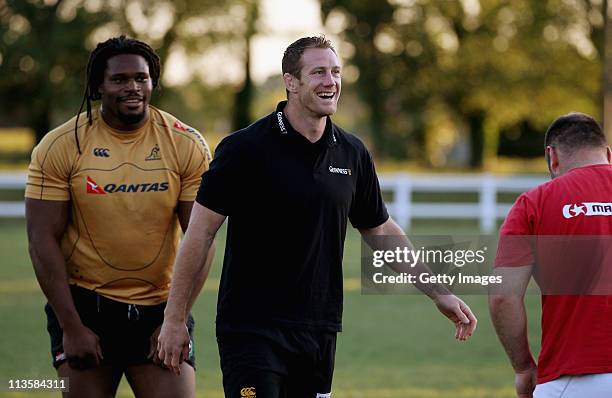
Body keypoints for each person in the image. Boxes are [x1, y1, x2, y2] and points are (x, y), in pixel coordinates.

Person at [157, 36, 477, 397]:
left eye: (336, 72)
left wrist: (438, 292)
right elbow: (199, 234)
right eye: (319, 72)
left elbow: (380, 228)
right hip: (251, 329)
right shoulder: (244, 149)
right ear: (291, 82)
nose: (331, 81)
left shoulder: (353, 153)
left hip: (318, 329)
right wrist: (174, 318)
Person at [25, 36, 213, 398]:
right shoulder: (60, 145)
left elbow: (200, 238)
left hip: (161, 307)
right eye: (120, 79)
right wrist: (71, 326)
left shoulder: (186, 144)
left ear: (153, 82)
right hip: (85, 308)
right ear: (98, 86)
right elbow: (41, 239)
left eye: (141, 78)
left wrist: (174, 319)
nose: (133, 88)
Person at [490, 112, 612, 398]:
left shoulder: (534, 203)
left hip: (573, 379)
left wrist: (523, 369)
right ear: (607, 153)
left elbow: (503, 296)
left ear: (552, 156)